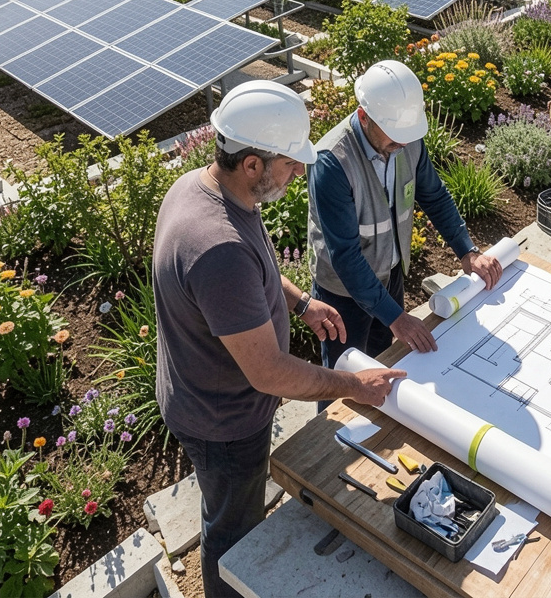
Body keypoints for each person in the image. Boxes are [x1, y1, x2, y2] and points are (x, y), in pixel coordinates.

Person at [153, 80, 405, 598]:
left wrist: (300, 301)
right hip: (223, 422)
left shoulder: (203, 189)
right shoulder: (217, 246)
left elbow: (259, 267)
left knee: (227, 509)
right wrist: (353, 384)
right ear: (252, 164)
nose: (299, 171)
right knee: (230, 529)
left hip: (205, 396)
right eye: (290, 162)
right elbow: (267, 371)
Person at [308, 60, 502, 372]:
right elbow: (345, 257)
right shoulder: (332, 163)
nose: (401, 145)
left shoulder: (407, 140)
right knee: (344, 381)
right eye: (394, 136)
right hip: (343, 294)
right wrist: (396, 317)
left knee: (384, 367)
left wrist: (467, 249)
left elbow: (434, 195)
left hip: (390, 276)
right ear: (363, 117)